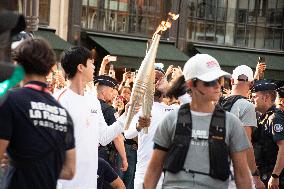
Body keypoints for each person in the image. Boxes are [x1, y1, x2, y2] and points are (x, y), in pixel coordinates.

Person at [144, 54, 252, 189]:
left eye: (220, 80)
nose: (217, 85)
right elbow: (154, 168)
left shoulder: (232, 123)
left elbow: (242, 174)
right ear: (191, 84)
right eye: (209, 81)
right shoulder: (171, 120)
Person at [56, 46, 145, 189]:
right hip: (66, 183)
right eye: (91, 63)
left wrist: (126, 115)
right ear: (80, 67)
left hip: (89, 181)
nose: (94, 67)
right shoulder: (60, 100)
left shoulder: (93, 101)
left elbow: (103, 137)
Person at [0, 38, 75, 189]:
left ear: (18, 65)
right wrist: (43, 167)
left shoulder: (10, 100)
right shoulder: (63, 113)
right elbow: (70, 171)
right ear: (49, 69)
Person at [124, 69, 174, 189]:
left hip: (167, 175)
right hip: (143, 173)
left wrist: (171, 88)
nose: (157, 82)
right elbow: (127, 134)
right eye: (153, 79)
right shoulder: (137, 108)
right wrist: (139, 126)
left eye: (160, 79)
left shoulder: (173, 110)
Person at [220, 65, 265, 189]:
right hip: (235, 171)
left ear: (232, 81)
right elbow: (247, 144)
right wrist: (255, 176)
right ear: (251, 85)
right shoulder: (247, 106)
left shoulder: (218, 102)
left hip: (213, 165)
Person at [94, 75, 128, 188]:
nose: (114, 93)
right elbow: (117, 136)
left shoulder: (91, 104)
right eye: (111, 90)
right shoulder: (109, 110)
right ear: (103, 92)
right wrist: (124, 158)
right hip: (103, 154)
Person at [251, 80, 284, 189]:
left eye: (255, 96)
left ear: (266, 97)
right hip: (265, 174)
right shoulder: (263, 117)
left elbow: (283, 146)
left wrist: (275, 175)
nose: (252, 99)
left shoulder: (275, 118)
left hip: (274, 179)